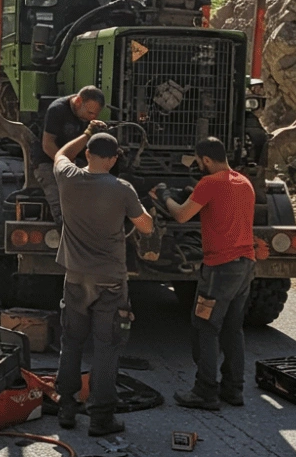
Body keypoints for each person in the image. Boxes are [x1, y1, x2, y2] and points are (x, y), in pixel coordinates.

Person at [54, 127, 154, 437]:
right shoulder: (121, 188)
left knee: (71, 344)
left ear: (87, 154)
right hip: (110, 282)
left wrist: (84, 133)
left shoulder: (68, 177)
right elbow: (146, 227)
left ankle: (67, 407)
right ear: (113, 160)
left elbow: (59, 155)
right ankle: (100, 418)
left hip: (75, 278)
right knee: (106, 348)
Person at [151, 137, 256, 410]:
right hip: (245, 265)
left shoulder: (209, 183)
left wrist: (164, 195)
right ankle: (234, 390)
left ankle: (205, 391)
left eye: (199, 162)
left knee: (205, 326)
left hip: (221, 267)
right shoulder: (244, 182)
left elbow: (183, 215)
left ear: (206, 160)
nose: (198, 166)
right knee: (233, 329)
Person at [35, 86, 107, 224]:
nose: (93, 117)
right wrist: (67, 166)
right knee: (62, 206)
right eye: (90, 113)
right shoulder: (57, 110)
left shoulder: (84, 114)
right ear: (78, 101)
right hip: (49, 161)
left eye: (96, 115)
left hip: (74, 160)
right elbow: (47, 145)